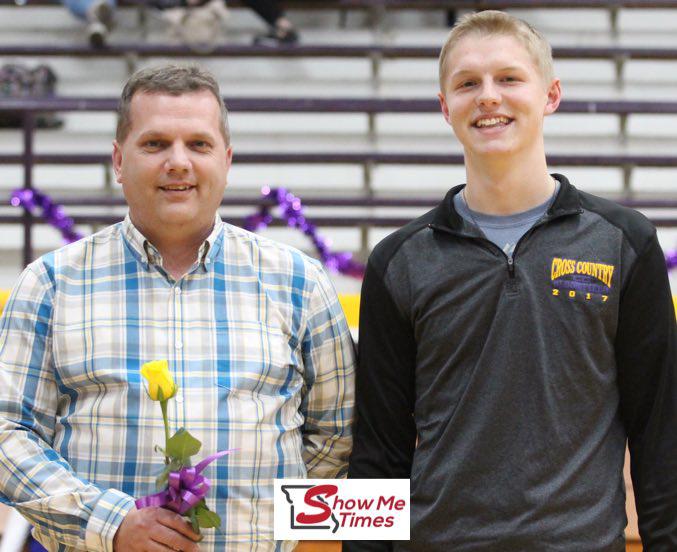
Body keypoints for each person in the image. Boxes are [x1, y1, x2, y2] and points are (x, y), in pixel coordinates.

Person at [347, 10, 676, 552]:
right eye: (467, 84)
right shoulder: (399, 261)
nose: (488, 97)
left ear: (550, 95)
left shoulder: (624, 243)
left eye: (508, 78)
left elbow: (660, 436)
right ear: (444, 108)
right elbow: (378, 454)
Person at [0, 64, 355, 551]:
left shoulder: (299, 283)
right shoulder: (51, 284)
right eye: (155, 144)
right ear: (118, 160)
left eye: (199, 144)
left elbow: (336, 431)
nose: (178, 162)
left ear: (226, 160)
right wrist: (109, 524)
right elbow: (7, 432)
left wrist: (262, 523)